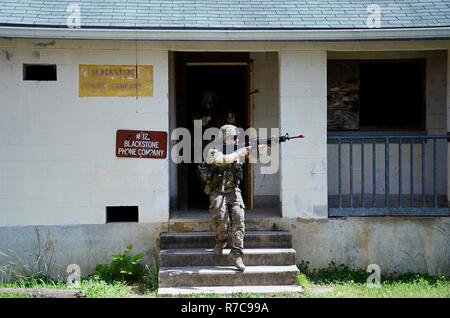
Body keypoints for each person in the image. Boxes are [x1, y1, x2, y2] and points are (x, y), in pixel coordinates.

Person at [205, 124, 251, 271]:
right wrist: (238, 154)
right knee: (219, 218)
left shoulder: (237, 149)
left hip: (233, 190)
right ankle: (221, 240)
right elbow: (221, 160)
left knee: (239, 220)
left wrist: (268, 145)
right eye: (233, 137)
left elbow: (258, 152)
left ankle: (236, 254)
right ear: (224, 138)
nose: (236, 140)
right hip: (217, 190)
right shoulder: (212, 151)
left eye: (237, 138)